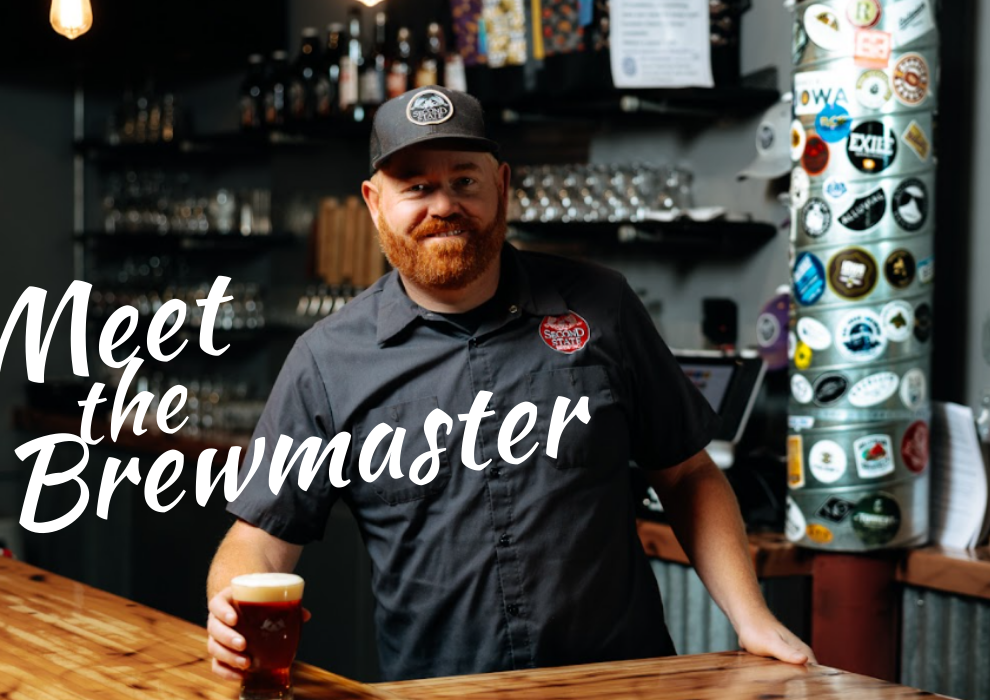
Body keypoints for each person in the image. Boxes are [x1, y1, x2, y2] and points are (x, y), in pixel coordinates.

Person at [205, 85, 815, 682]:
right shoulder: (327, 360)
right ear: (373, 202)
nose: (443, 205)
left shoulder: (603, 305)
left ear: (501, 186)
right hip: (442, 690)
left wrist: (751, 616)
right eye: (415, 186)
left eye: (464, 180)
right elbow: (259, 538)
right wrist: (230, 609)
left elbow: (687, 474)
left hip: (621, 681)